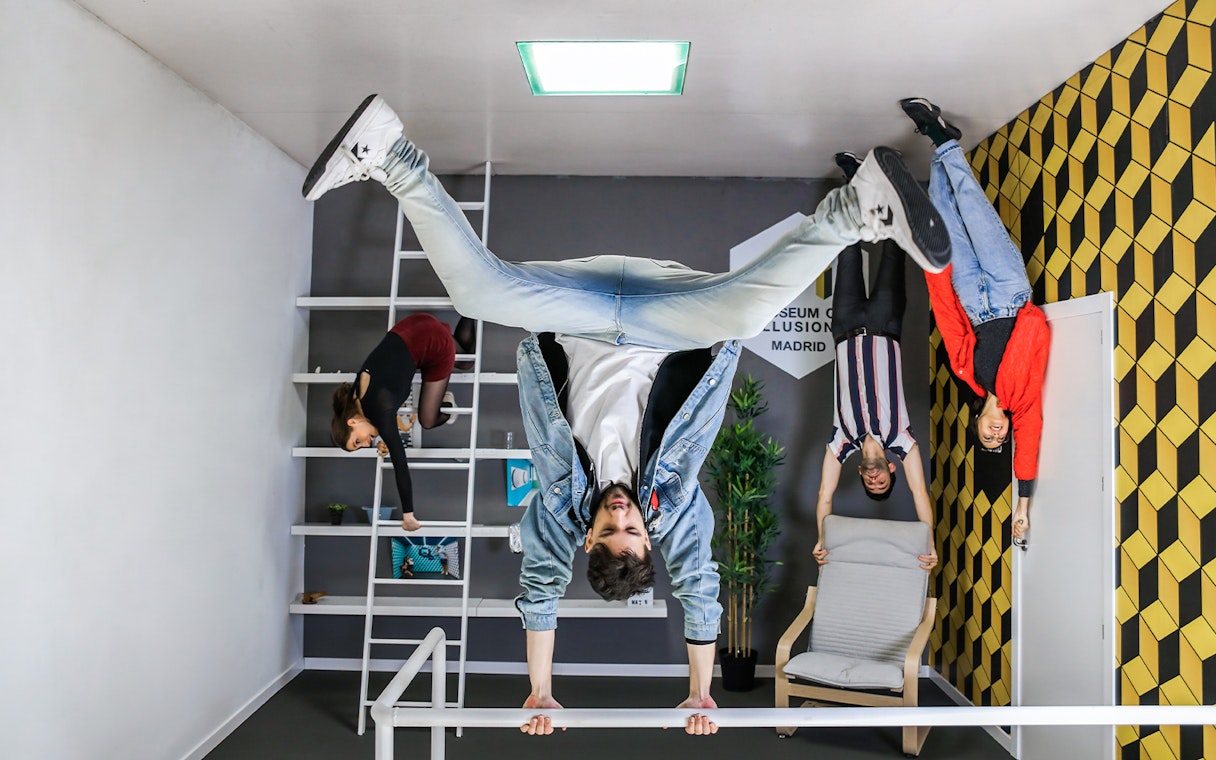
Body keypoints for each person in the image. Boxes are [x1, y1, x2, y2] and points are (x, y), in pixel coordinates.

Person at [301, 94, 951, 734]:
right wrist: (700, 694)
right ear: (646, 539)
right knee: (748, 316)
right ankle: (858, 206)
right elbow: (700, 591)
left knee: (473, 290)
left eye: (609, 531)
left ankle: (391, 153)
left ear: (588, 539)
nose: (620, 516)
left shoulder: (559, 510)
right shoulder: (674, 504)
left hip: (576, 308)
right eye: (633, 533)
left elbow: (539, 595)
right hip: (666, 315)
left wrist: (540, 692)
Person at [901, 97, 1050, 545]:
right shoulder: (1021, 404)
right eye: (997, 441)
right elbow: (1030, 445)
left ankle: (942, 149)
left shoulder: (968, 375)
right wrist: (1022, 506)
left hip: (971, 299)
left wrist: (935, 272)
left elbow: (950, 322)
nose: (995, 435)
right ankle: (940, 138)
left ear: (976, 427)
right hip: (1010, 293)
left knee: (944, 218)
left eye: (986, 439)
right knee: (974, 209)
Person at [811, 154, 938, 570]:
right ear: (893, 472)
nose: (873, 478)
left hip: (846, 326)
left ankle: (854, 179)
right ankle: (888, 190)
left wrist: (821, 540)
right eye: (881, 481)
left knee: (848, 251)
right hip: (885, 324)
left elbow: (824, 497)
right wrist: (929, 545)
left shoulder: (839, 442)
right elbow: (922, 496)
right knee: (890, 252)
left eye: (870, 482)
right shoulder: (903, 440)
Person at [330, 313, 475, 531]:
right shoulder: (355, 396)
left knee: (427, 420)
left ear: (351, 422)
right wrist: (382, 438)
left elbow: (400, 465)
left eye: (357, 442)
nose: (365, 444)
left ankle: (448, 408)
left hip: (430, 342)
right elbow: (376, 417)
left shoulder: (381, 410)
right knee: (463, 363)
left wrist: (408, 514)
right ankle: (469, 309)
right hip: (411, 326)